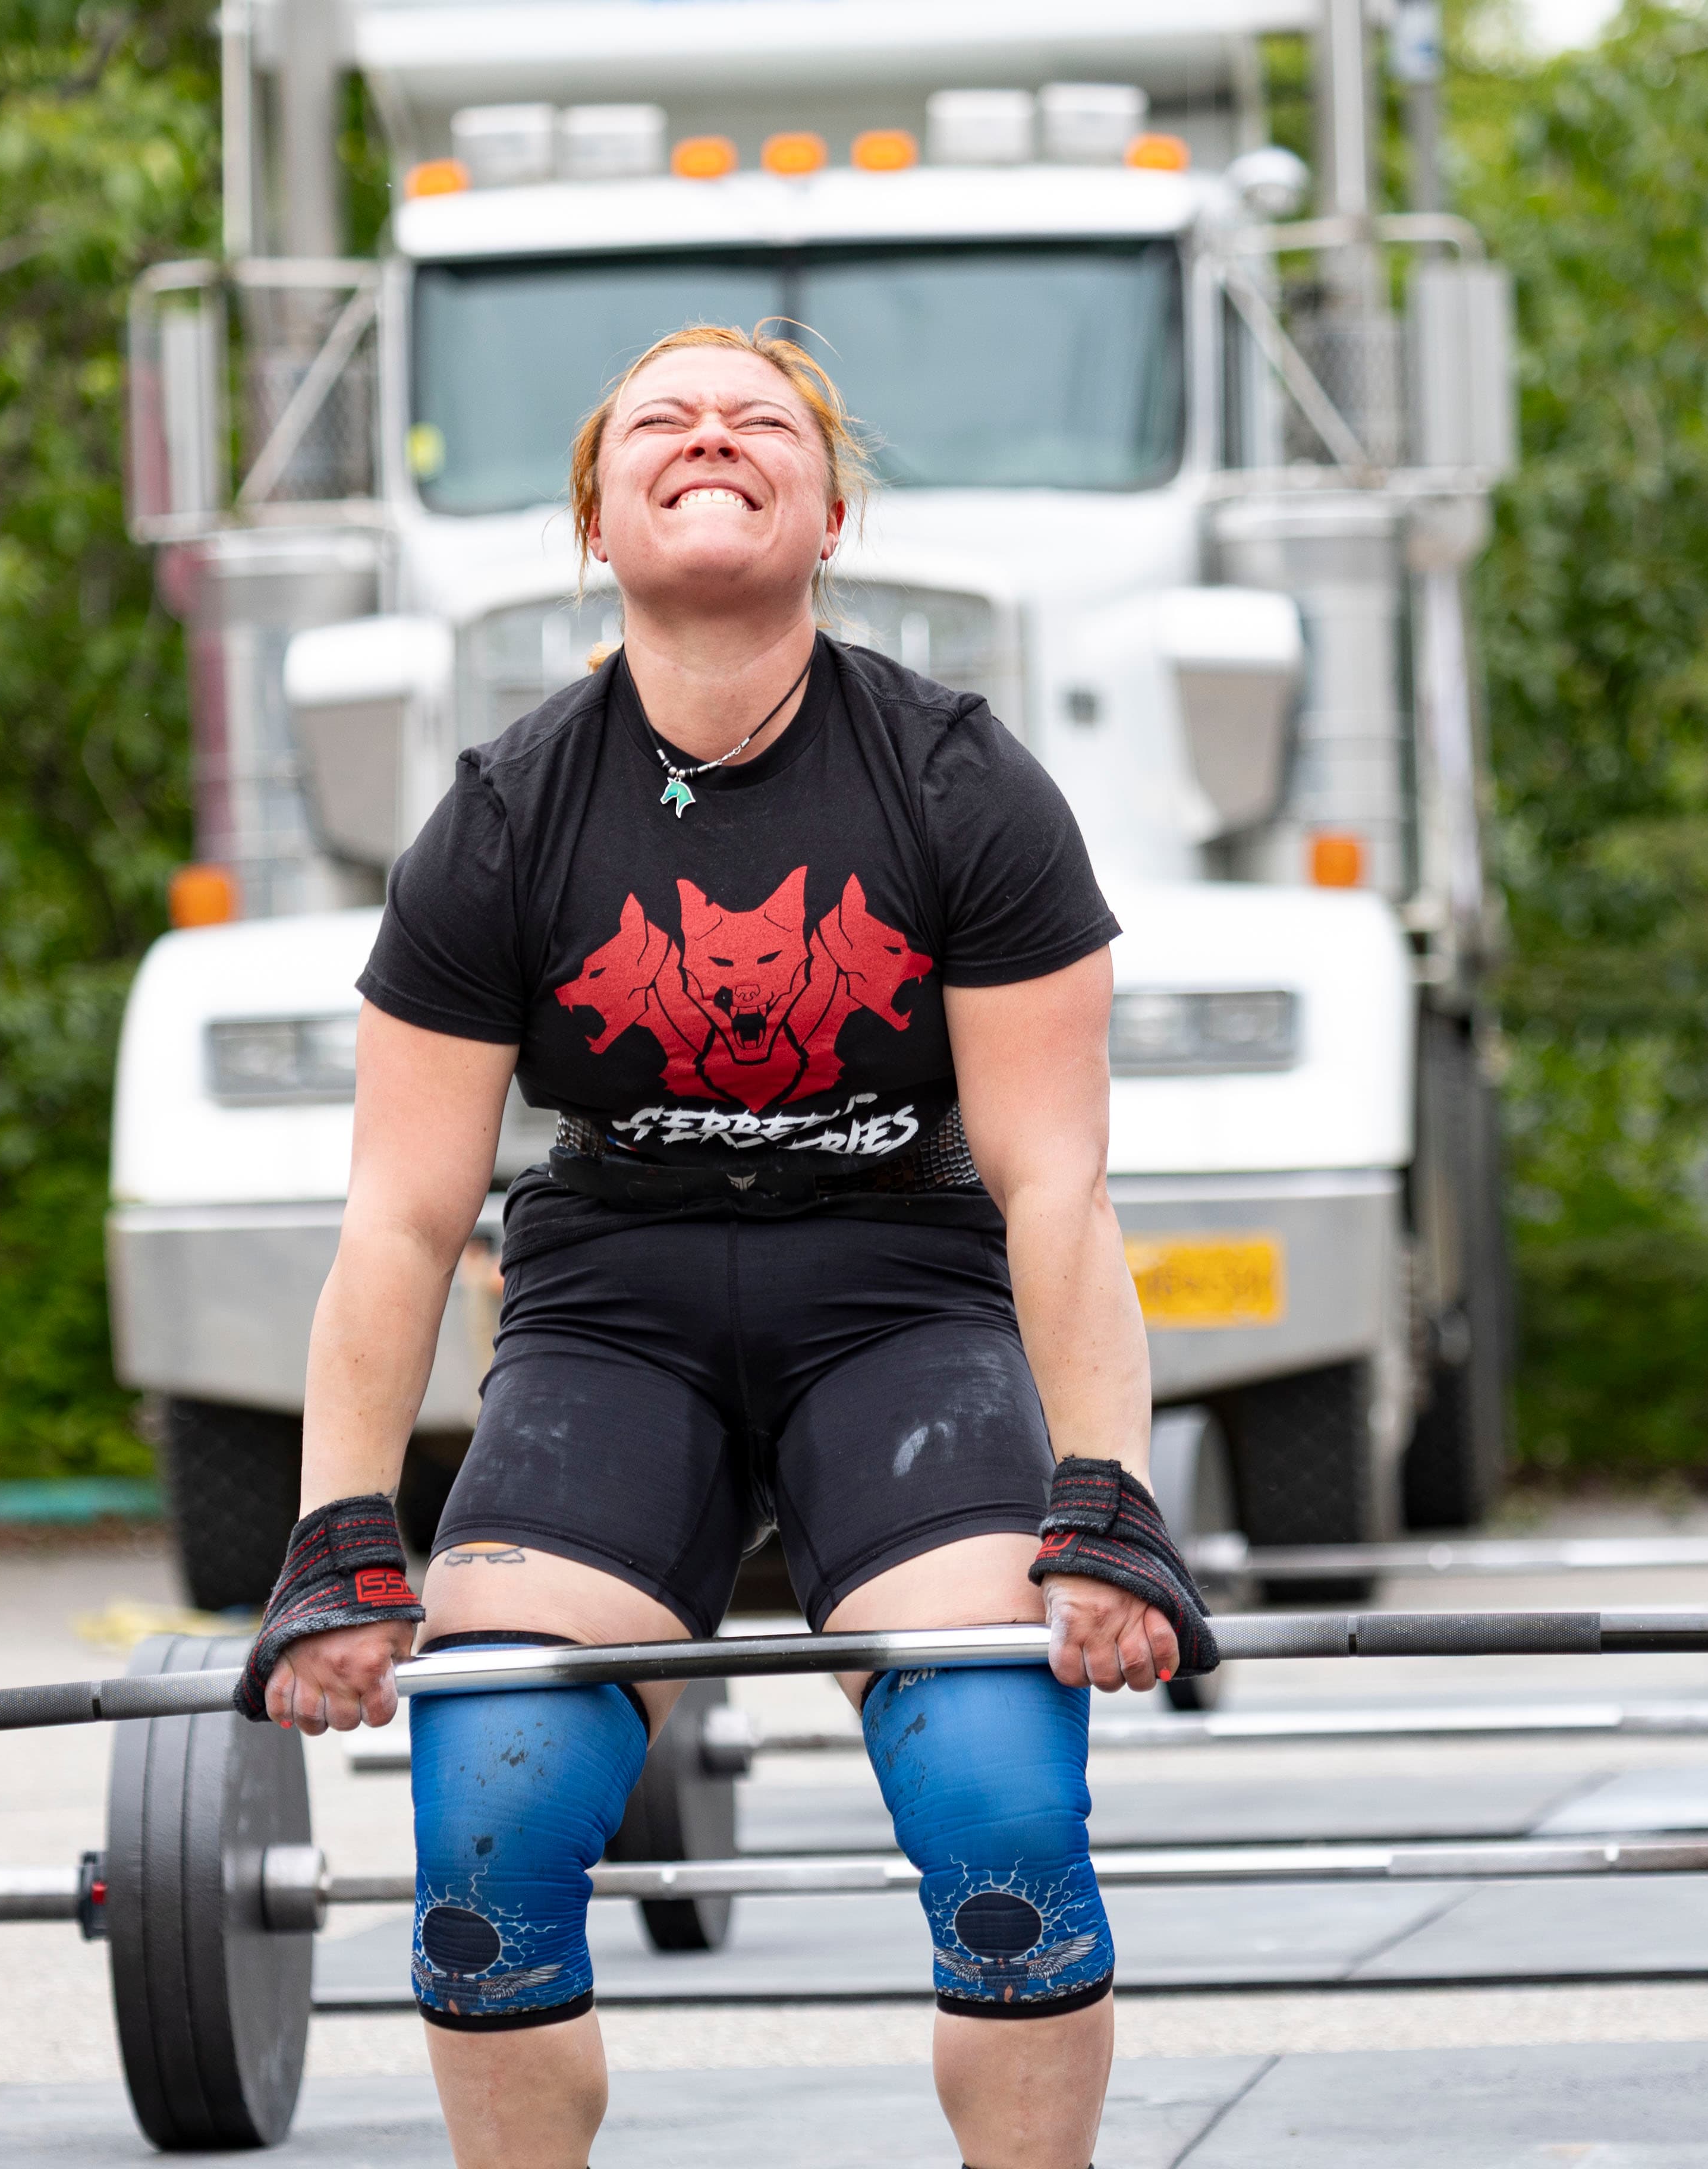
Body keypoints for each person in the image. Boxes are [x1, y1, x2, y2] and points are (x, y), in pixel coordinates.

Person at [235, 322, 1218, 2169]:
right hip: (614, 1318)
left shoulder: (960, 783)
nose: (710, 435)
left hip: (901, 1304)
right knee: (486, 1824)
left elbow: (1058, 1187)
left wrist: (1104, 1495)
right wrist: (343, 1533)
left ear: (829, 509)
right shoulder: (508, 815)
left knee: (1003, 1801)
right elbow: (402, 1213)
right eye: (661, 423)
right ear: (593, 525)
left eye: (758, 420)